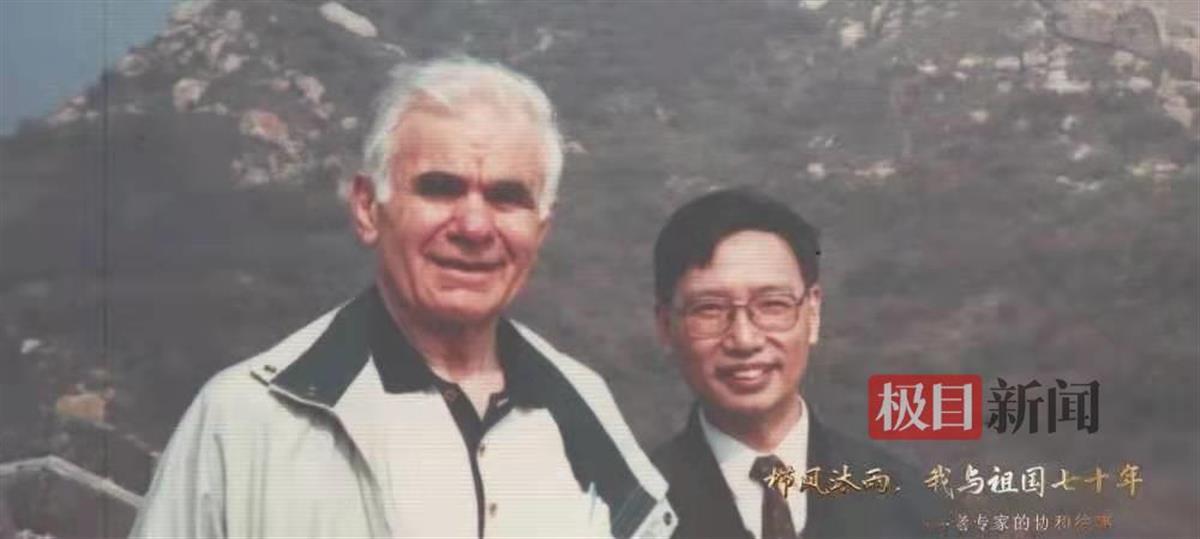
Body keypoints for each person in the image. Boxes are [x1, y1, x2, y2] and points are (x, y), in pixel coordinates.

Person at [131, 56, 675, 539]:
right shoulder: (245, 422)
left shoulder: (583, 409)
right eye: (440, 188)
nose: (474, 226)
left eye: (506, 197)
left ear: (541, 230)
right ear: (368, 208)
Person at [650, 189, 940, 539]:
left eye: (772, 305)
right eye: (709, 309)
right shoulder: (623, 515)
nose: (745, 339)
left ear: (812, 313)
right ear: (665, 325)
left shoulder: (912, 504)